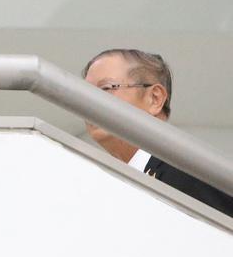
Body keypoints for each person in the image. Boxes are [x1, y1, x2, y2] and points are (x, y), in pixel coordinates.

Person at [82, 48, 233, 217]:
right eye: (84, 93)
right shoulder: (105, 190)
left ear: (155, 99)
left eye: (106, 88)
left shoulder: (192, 173)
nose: (89, 101)